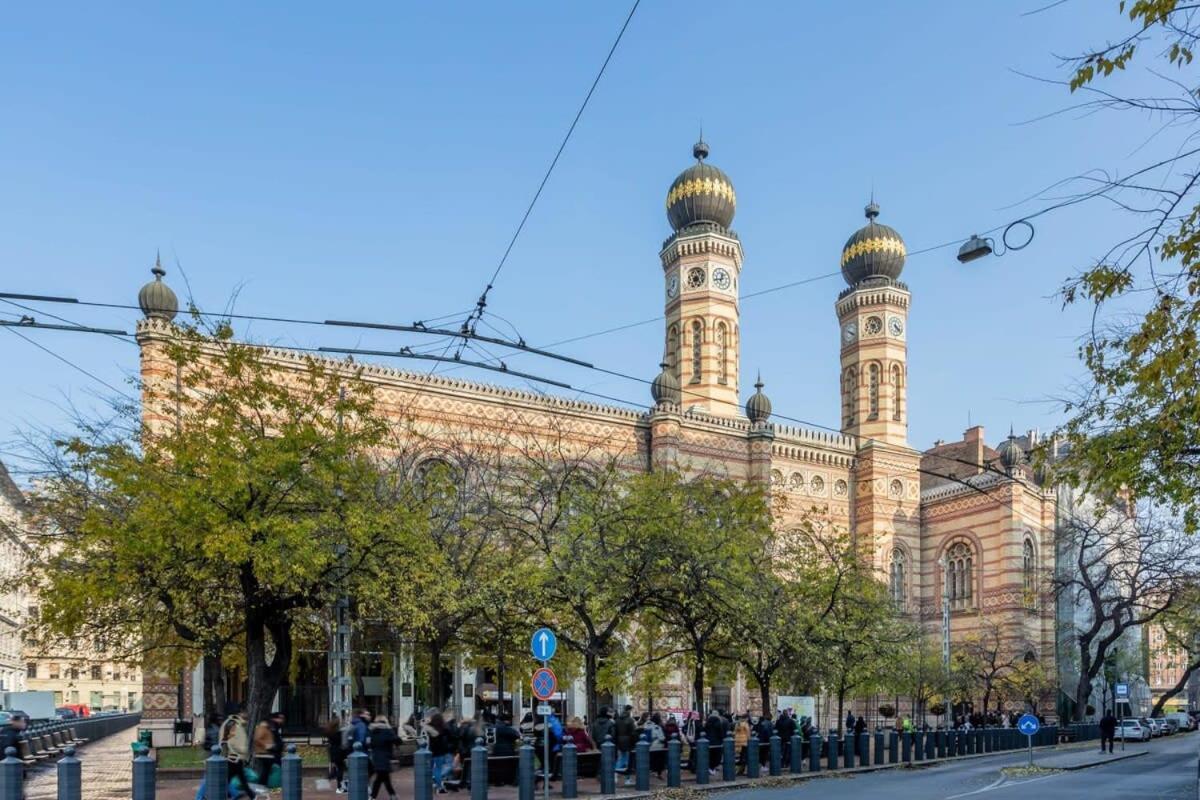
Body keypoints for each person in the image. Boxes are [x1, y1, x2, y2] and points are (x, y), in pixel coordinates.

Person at [368, 716, 397, 800]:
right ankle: (373, 796)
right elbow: (397, 740)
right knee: (381, 777)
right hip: (385, 757)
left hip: (375, 757)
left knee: (383, 777)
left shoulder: (372, 731)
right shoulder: (387, 731)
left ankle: (392, 795)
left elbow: (369, 743)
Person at [253, 712, 285, 784]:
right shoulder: (263, 727)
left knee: (267, 769)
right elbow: (257, 739)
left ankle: (263, 784)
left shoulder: (271, 727)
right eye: (280, 718)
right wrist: (267, 746)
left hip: (270, 752)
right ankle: (262, 784)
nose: (281, 720)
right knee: (267, 769)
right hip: (265, 753)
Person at [425, 713, 452, 794]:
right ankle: (439, 786)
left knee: (429, 769)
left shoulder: (429, 727)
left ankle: (430, 784)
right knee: (438, 769)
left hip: (430, 750)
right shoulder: (444, 728)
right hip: (440, 751)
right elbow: (450, 736)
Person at [325, 718, 348, 794]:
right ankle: (339, 786)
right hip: (339, 752)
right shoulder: (339, 733)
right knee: (341, 769)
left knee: (339, 767)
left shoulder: (330, 732)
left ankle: (334, 777)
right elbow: (342, 743)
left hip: (333, 751)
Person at [614, 706, 636, 774]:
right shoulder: (630, 720)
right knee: (626, 756)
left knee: (623, 755)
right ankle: (619, 769)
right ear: (629, 711)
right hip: (628, 739)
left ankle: (619, 769)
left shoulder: (617, 720)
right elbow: (633, 732)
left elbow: (615, 731)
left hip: (619, 739)